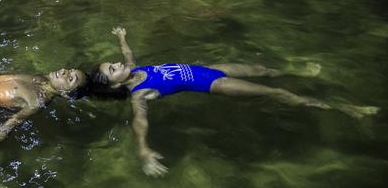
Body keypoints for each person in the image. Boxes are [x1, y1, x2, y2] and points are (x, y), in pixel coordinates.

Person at [90, 27, 380, 177]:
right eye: (112, 69)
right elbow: (139, 121)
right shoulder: (139, 94)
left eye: (112, 64)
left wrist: (122, 37)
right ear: (115, 84)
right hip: (213, 83)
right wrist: (144, 151)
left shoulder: (135, 70)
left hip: (212, 67)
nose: (117, 64)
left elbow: (127, 55)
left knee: (262, 70)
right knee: (276, 94)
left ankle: (298, 71)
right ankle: (347, 109)